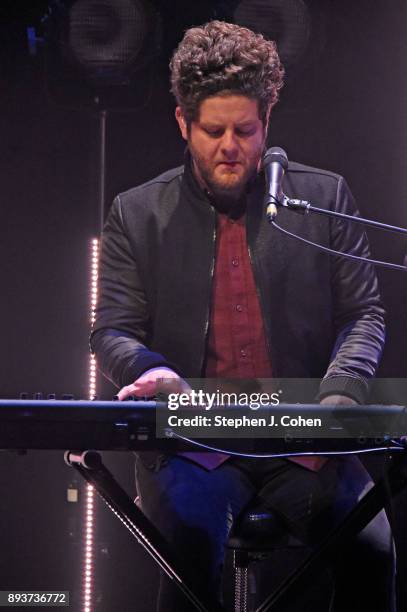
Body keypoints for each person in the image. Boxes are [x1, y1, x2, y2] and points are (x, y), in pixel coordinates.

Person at [90, 20, 395, 612]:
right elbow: (112, 328)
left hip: (308, 444)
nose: (229, 146)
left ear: (266, 126)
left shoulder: (323, 198)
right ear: (183, 123)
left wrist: (342, 390)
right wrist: (152, 370)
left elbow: (364, 311)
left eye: (245, 130)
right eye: (212, 131)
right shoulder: (136, 213)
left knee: (373, 548)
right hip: (197, 446)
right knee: (188, 546)